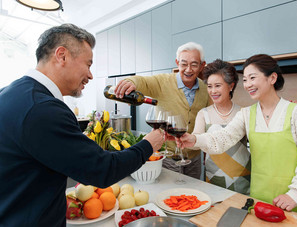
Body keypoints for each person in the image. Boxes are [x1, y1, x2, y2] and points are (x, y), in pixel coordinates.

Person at [0, 24, 164, 226]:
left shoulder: (9, 93)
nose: (91, 75)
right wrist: (149, 144)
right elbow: (103, 170)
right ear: (62, 56)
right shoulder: (43, 109)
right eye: (88, 64)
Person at [178, 54, 297, 219]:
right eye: (245, 80)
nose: (247, 85)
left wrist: (295, 194)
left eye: (252, 78)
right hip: (259, 198)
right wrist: (194, 139)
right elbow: (223, 138)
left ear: (272, 78)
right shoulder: (246, 114)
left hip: (295, 201)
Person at [114, 42, 210, 179]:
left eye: (194, 64)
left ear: (202, 65)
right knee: (169, 194)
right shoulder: (162, 82)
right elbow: (143, 82)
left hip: (193, 157)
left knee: (192, 194)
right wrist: (131, 82)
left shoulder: (206, 88)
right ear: (177, 63)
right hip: (168, 156)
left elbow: (207, 123)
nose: (188, 69)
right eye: (183, 64)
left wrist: (206, 155)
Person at [192, 59, 250, 194]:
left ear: (231, 86)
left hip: (243, 177)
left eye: (217, 85)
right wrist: (183, 138)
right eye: (209, 86)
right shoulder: (203, 114)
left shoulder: (244, 113)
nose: (213, 91)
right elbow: (196, 142)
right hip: (214, 177)